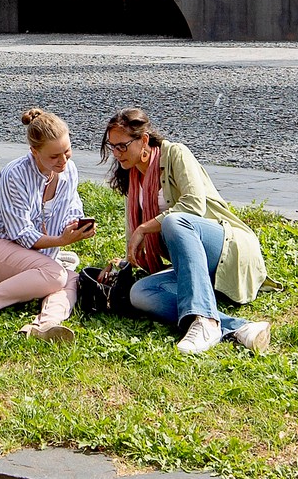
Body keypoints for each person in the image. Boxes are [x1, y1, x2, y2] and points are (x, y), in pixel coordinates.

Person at [102, 107, 269, 355]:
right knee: (140, 293)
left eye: (122, 146)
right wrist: (123, 263)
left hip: (226, 248)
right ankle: (236, 328)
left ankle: (204, 320)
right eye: (112, 147)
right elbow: (134, 239)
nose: (116, 154)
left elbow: (193, 205)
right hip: (189, 263)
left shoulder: (175, 153)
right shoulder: (133, 177)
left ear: (144, 139)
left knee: (175, 221)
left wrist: (145, 227)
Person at [0, 107, 96, 341]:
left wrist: (77, 227)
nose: (63, 161)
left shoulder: (70, 171)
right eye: (54, 156)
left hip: (35, 259)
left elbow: (72, 208)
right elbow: (21, 235)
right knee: (56, 274)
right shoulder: (14, 174)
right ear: (34, 152)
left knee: (72, 278)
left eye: (67, 152)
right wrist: (61, 241)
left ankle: (45, 325)